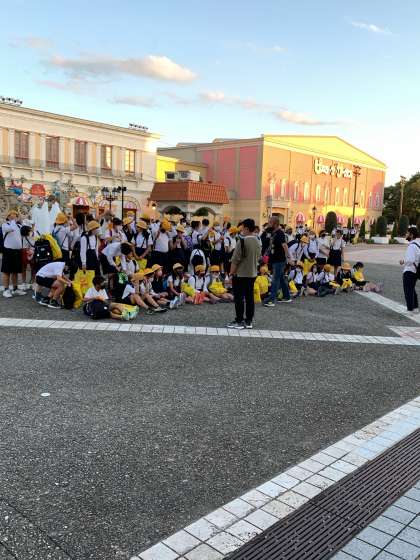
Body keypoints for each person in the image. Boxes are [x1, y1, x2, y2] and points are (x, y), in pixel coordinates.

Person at [227, 218, 261, 329]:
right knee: (250, 297)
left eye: (242, 228)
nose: (241, 230)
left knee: (239, 298)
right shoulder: (258, 241)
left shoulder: (241, 241)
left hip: (240, 274)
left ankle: (239, 320)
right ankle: (249, 321)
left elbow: (235, 261)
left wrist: (231, 274)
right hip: (252, 273)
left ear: (246, 228)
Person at [264, 216, 292, 307]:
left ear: (275, 223)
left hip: (279, 260)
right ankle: (287, 297)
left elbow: (284, 245)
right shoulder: (273, 233)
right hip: (275, 259)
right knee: (281, 278)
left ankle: (271, 300)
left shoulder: (280, 233)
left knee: (275, 280)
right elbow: (271, 245)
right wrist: (265, 254)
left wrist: (289, 257)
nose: (268, 224)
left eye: (270, 222)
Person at [1, 211, 26, 298]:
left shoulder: (19, 226)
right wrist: (13, 220)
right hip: (8, 250)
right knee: (7, 271)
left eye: (16, 215)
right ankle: (6, 290)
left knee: (15, 271)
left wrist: (22, 221)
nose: (15, 216)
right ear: (8, 217)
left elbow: (26, 232)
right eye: (13, 215)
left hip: (17, 251)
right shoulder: (5, 225)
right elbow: (11, 228)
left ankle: (15, 289)